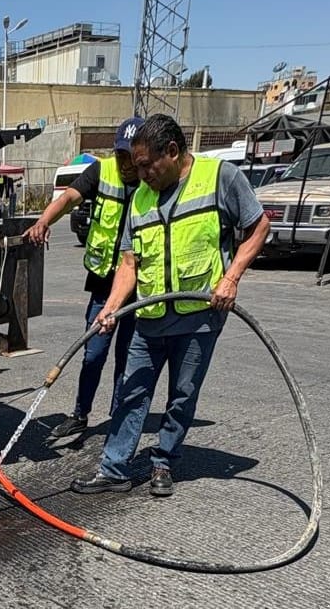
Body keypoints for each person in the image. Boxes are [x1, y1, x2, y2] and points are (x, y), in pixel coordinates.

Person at [71, 114, 270, 497]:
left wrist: (231, 278)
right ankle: (114, 468)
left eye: (147, 165)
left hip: (198, 318)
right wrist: (111, 306)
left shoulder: (219, 178)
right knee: (132, 391)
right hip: (150, 317)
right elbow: (130, 263)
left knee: (182, 394)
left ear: (173, 152)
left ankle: (163, 460)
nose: (140, 173)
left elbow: (258, 227)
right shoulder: (141, 199)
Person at [23, 117, 145, 439]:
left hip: (141, 288)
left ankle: (119, 418)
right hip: (105, 285)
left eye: (131, 157)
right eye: (121, 155)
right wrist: (43, 222)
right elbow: (67, 199)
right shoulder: (101, 171)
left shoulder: (153, 179)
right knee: (93, 354)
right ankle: (80, 414)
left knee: (127, 360)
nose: (126, 163)